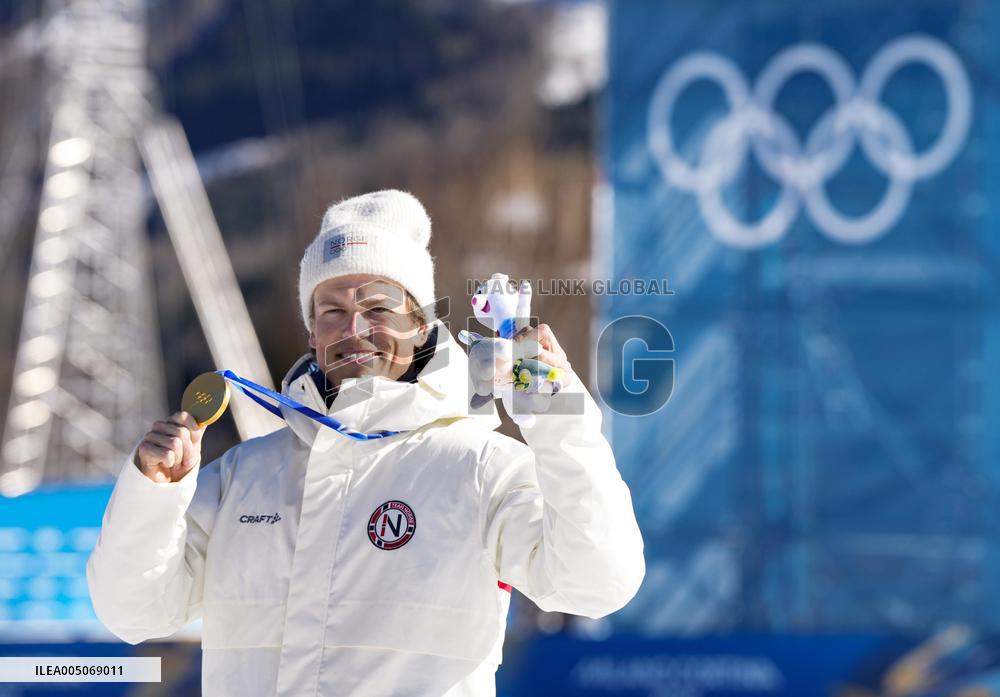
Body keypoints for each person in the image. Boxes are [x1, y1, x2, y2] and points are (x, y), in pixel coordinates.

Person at [86, 189, 645, 697]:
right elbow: (134, 613)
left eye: (378, 308)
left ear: (420, 325)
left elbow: (597, 583)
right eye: (332, 311)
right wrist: (153, 495)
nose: (353, 328)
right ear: (312, 333)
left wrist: (551, 405)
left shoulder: (480, 464)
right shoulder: (244, 475)